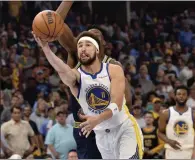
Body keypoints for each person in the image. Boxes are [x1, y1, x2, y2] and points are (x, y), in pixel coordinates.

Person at [33, 31, 143, 159]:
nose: (83, 49)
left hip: (123, 129)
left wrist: (97, 119)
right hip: (102, 136)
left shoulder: (113, 68)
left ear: (97, 49)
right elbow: (61, 69)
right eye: (80, 46)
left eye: (88, 45)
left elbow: (117, 103)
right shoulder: (76, 76)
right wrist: (46, 49)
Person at [54, 2, 132, 159]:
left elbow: (127, 101)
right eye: (87, 35)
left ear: (102, 44)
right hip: (85, 128)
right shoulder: (76, 55)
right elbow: (54, 22)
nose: (91, 35)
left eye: (96, 35)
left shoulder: (113, 66)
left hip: (110, 126)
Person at [158, 86, 195, 159]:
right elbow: (160, 132)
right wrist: (169, 141)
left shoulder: (194, 114)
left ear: (188, 96)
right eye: (179, 94)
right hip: (171, 152)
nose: (181, 96)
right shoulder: (166, 113)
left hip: (189, 151)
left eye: (184, 94)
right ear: (175, 96)